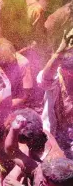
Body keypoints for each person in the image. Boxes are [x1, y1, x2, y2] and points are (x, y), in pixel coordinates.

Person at [4, 109, 65, 186]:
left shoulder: (47, 170)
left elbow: (11, 150)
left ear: (27, 142)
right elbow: (14, 150)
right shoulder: (41, 133)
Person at [37, 28, 73, 158]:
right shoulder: (57, 76)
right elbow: (43, 80)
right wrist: (60, 51)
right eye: (67, 71)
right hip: (54, 134)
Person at [0, 38, 34, 109]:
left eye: (0, 62)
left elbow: (25, 95)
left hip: (12, 106)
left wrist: (3, 107)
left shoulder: (22, 63)